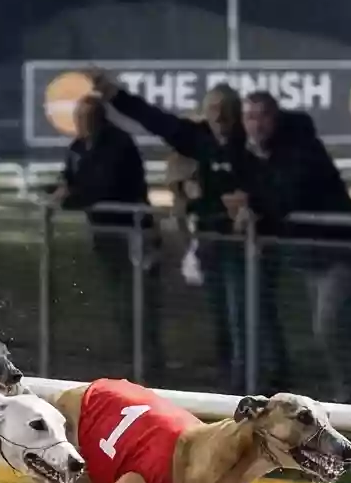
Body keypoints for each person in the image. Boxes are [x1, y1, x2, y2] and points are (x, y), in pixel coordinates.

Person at [97, 75, 261, 385]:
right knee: (223, 314)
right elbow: (156, 121)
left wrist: (252, 202)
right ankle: (232, 380)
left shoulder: (249, 141)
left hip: (247, 245)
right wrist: (117, 97)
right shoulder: (199, 138)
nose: (219, 116)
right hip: (211, 241)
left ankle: (249, 382)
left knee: (244, 315)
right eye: (212, 108)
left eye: (226, 108)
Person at [239, 91, 351, 401]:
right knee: (335, 326)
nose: (256, 124)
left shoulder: (300, 149)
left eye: (263, 116)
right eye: (250, 117)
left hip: (344, 250)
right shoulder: (262, 155)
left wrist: (254, 207)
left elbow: (290, 195)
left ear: (276, 118)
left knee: (328, 324)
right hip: (313, 256)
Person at [51, 92, 164, 376]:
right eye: (79, 118)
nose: (82, 123)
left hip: (132, 230)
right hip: (103, 232)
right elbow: (71, 178)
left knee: (139, 298)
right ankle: (131, 355)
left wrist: (69, 197)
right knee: (119, 295)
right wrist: (60, 190)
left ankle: (148, 360)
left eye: (88, 118)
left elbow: (105, 186)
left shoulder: (119, 144)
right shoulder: (78, 146)